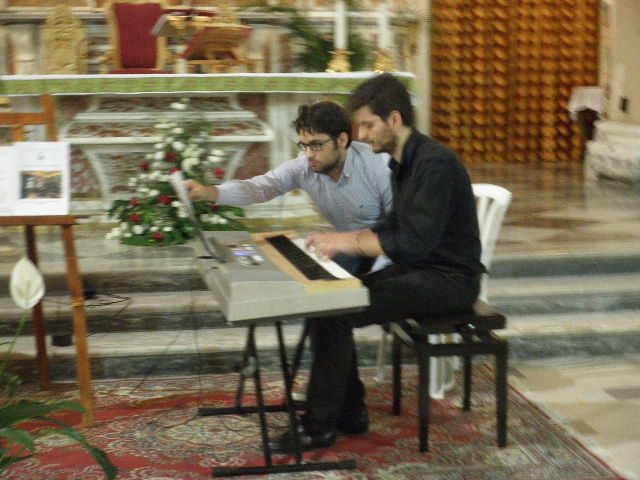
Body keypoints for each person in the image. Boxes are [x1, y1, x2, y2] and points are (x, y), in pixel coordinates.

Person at [269, 73, 486, 453]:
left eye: (368, 125)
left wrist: (347, 241)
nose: (363, 135)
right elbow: (396, 224)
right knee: (329, 301)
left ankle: (320, 426)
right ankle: (349, 412)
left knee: (335, 311)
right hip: (422, 271)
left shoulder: (434, 163)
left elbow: (414, 241)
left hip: (449, 281)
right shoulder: (405, 161)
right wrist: (347, 242)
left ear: (395, 119)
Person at [184, 100, 392, 276]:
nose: (308, 154)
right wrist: (209, 192)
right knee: (302, 280)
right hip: (346, 246)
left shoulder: (380, 167)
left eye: (316, 145)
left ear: (342, 140)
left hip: (385, 250)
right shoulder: (305, 165)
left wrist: (380, 278)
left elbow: (401, 233)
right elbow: (261, 187)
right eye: (304, 145)